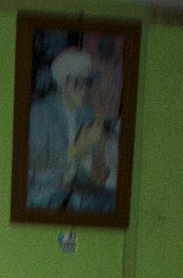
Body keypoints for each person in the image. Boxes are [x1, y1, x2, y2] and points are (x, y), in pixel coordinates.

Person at [25, 43, 119, 214]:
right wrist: (75, 151)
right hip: (44, 194)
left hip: (76, 190)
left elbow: (105, 135)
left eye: (87, 82)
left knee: (115, 202)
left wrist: (104, 138)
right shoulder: (40, 112)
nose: (84, 89)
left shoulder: (86, 111)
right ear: (61, 83)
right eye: (77, 83)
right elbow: (32, 160)